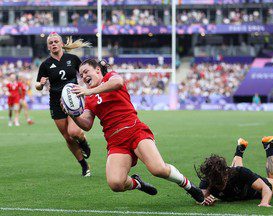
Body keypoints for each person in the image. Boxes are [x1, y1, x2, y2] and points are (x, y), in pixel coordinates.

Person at [68, 59, 204, 202]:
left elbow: (118, 83)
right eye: (81, 75)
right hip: (116, 141)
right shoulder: (89, 98)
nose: (83, 77)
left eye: (86, 72)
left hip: (134, 130)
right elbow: (87, 124)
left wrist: (89, 91)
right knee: (116, 183)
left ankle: (189, 186)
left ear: (97, 70)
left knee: (158, 169)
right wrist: (73, 114)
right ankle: (138, 183)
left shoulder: (109, 77)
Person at [35, 32, 92, 177]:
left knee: (75, 132)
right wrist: (41, 85)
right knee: (67, 137)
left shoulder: (72, 59)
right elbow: (38, 85)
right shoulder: (45, 64)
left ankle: (84, 142)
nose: (53, 44)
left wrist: (87, 87)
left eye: (56, 41)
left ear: (61, 44)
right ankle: (84, 165)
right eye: (51, 43)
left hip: (73, 99)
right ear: (48, 47)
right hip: (56, 103)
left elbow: (85, 74)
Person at [197, 134, 273, 207]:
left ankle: (269, 147)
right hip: (238, 181)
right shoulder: (208, 179)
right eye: (216, 183)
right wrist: (206, 201)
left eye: (221, 182)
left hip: (256, 190)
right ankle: (240, 148)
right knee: (237, 172)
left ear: (225, 174)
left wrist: (264, 202)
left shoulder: (240, 173)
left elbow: (265, 188)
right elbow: (201, 198)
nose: (220, 186)